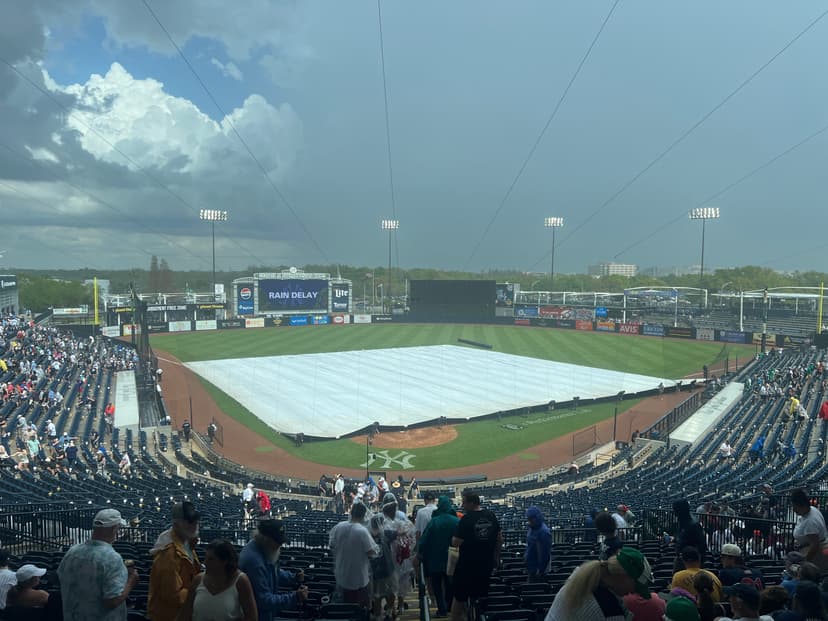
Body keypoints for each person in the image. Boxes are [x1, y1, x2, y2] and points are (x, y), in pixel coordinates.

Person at [57, 508, 139, 621]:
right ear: (115, 529)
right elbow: (112, 601)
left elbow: (60, 577)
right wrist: (131, 582)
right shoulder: (112, 558)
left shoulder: (72, 551)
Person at [544, 547, 653, 620]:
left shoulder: (581, 576)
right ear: (623, 577)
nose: (633, 592)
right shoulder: (610, 611)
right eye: (635, 587)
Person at [239, 519, 307, 621]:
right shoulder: (254, 562)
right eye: (277, 542)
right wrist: (294, 597)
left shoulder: (262, 548)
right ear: (265, 539)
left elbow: (272, 571)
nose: (280, 545)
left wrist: (293, 577)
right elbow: (264, 601)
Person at [450, 490, 502, 621]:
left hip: (467, 567)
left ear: (472, 503)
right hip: (486, 565)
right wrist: (496, 557)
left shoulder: (466, 519)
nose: (462, 505)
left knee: (459, 598)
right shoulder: (491, 515)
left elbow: (455, 542)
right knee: (480, 599)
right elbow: (499, 539)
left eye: (464, 502)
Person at [177, 539, 257, 621]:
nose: (205, 562)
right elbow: (184, 615)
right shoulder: (198, 580)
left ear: (224, 561)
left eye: (211, 559)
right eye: (206, 558)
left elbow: (252, 617)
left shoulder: (240, 581)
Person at [147, 501, 202, 621]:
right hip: (170, 616)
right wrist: (199, 591)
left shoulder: (186, 542)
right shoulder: (168, 554)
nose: (195, 524)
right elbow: (173, 595)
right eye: (190, 521)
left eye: (196, 520)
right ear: (177, 524)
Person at [329, 502, 379, 607]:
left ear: (351, 512)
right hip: (359, 578)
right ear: (363, 515)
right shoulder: (362, 531)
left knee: (345, 607)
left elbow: (332, 545)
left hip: (341, 575)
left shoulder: (339, 527)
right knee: (359, 608)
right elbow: (371, 553)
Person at [419, 496, 460, 618]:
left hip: (435, 560)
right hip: (452, 560)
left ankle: (441, 609)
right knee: (450, 585)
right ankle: (449, 607)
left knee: (437, 586)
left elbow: (424, 540)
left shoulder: (434, 521)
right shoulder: (456, 521)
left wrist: (419, 553)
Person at [790, 488, 828, 575]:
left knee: (811, 576)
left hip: (816, 555)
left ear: (802, 505)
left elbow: (814, 545)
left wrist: (805, 561)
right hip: (809, 549)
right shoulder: (812, 509)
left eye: (795, 507)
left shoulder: (810, 521)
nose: (794, 510)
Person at [673, 499, 708, 571]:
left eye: (675, 510)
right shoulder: (682, 522)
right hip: (682, 558)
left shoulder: (694, 525)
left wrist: (698, 563)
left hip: (691, 562)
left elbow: (702, 546)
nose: (674, 513)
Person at [525, 506, 552, 581]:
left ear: (536, 518)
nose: (529, 521)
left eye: (531, 519)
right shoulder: (532, 528)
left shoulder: (544, 532)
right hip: (531, 565)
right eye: (528, 519)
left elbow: (544, 554)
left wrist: (540, 569)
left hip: (537, 570)